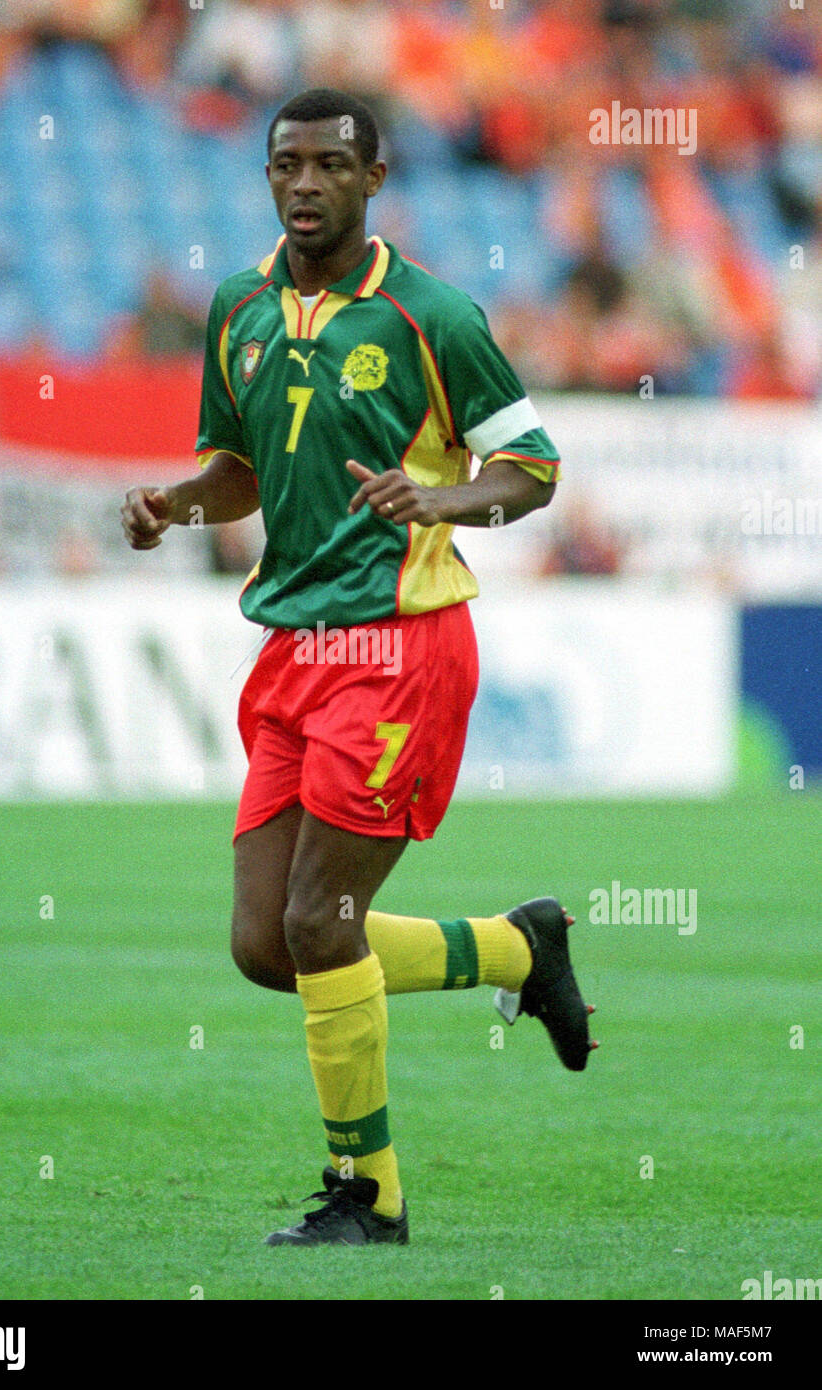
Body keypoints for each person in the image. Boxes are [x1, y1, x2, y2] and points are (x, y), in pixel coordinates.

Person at [121, 88, 596, 1248]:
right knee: (267, 943)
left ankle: (367, 1195)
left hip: (397, 648)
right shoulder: (238, 306)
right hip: (290, 647)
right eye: (287, 163)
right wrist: (177, 503)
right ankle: (513, 947)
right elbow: (237, 464)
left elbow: (531, 466)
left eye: (332, 164)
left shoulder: (433, 314)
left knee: (324, 920)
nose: (305, 184)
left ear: (374, 178)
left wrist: (442, 497)